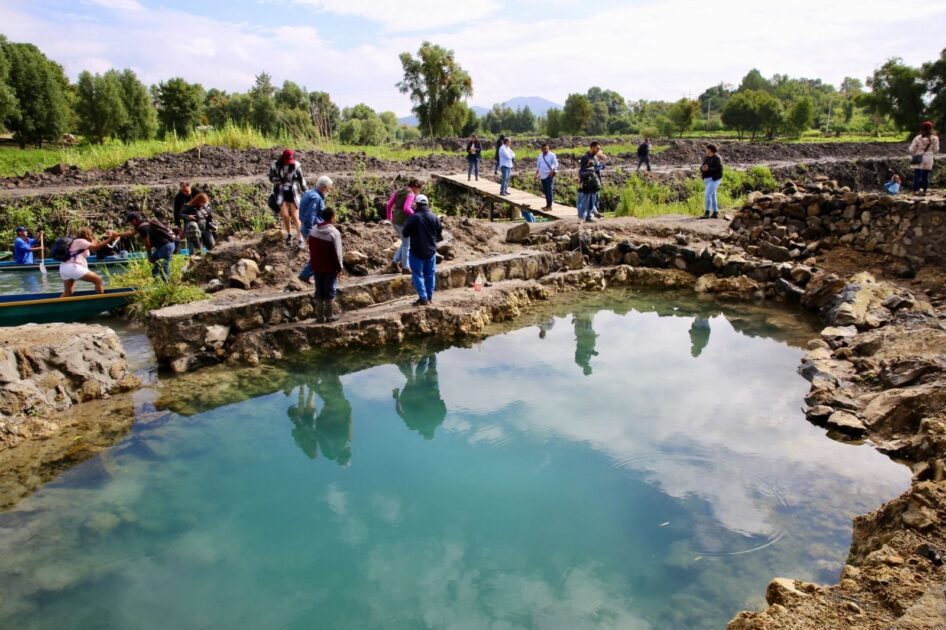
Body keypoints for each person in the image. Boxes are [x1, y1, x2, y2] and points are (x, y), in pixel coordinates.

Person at [401, 194, 443, 307]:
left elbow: (405, 233)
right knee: (430, 275)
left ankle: (423, 299)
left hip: (416, 251)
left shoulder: (414, 218)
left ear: (416, 204)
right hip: (431, 252)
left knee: (418, 275)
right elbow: (439, 235)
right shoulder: (435, 217)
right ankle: (429, 297)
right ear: (427, 204)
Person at [393, 354, 447, 440]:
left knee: (431, 370)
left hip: (432, 394)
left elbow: (443, 407)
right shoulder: (414, 425)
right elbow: (399, 412)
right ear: (424, 433)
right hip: (415, 397)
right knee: (416, 377)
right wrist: (396, 397)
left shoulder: (438, 421)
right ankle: (420, 356)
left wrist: (438, 400)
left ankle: (429, 352)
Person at [110, 212, 177, 279]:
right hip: (165, 246)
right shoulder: (144, 222)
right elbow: (131, 233)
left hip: (166, 247)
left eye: (130, 222)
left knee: (164, 267)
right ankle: (158, 283)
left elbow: (147, 244)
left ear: (134, 220)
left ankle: (167, 285)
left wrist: (149, 255)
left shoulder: (143, 228)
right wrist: (118, 234)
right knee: (155, 268)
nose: (131, 224)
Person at [308, 207, 344, 323]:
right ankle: (329, 315)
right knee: (330, 290)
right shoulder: (334, 233)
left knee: (319, 290)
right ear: (332, 217)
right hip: (330, 267)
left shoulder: (313, 230)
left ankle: (319, 316)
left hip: (316, 265)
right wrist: (340, 268)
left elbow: (311, 247)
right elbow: (338, 253)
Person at [297, 175, 333, 282]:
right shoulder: (316, 198)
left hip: (308, 228)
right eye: (329, 188)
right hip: (312, 230)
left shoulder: (309, 193)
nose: (329, 190)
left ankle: (312, 275)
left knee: (319, 254)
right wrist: (312, 233)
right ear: (323, 187)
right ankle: (305, 275)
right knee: (320, 254)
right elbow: (309, 218)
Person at [269, 148, 307, 246]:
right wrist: (279, 180)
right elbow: (271, 178)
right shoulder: (275, 165)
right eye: (286, 160)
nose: (288, 162)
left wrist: (306, 191)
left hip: (293, 192)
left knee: (295, 216)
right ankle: (289, 234)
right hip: (280, 192)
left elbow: (301, 180)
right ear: (283, 158)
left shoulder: (296, 166)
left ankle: (300, 238)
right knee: (285, 215)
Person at [59, 227, 111, 297]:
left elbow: (96, 243)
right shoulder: (81, 241)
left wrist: (108, 236)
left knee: (68, 292)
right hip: (73, 267)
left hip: (64, 267)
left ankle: (55, 307)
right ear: (88, 235)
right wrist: (110, 239)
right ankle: (100, 302)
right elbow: (96, 247)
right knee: (98, 280)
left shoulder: (75, 242)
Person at [385, 178, 422, 275]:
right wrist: (415, 216)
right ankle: (405, 267)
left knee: (405, 242)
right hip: (403, 222)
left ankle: (395, 262)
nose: (418, 192)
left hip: (396, 221)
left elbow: (389, 205)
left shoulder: (399, 192)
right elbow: (406, 208)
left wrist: (389, 217)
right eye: (419, 189)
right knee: (407, 245)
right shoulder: (411, 194)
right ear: (415, 187)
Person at [909, 121, 939, 195]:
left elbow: (911, 150)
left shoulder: (918, 138)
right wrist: (930, 153)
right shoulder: (935, 138)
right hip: (928, 159)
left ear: (922, 128)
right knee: (925, 176)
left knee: (917, 175)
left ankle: (915, 191)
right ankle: (924, 191)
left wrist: (914, 154)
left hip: (918, 157)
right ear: (931, 128)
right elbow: (936, 150)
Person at [577, 141, 602, 222]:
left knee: (593, 200)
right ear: (592, 147)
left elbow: (596, 170)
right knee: (585, 199)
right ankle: (582, 217)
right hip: (587, 181)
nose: (598, 150)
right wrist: (581, 180)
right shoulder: (585, 157)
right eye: (597, 148)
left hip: (594, 181)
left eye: (599, 148)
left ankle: (589, 217)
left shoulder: (595, 157)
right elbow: (582, 170)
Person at [700, 144, 723, 219]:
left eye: (706, 149)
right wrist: (702, 168)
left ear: (710, 150)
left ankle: (707, 213)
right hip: (707, 179)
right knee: (713, 196)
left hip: (714, 179)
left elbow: (719, 169)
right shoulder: (706, 158)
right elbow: (702, 166)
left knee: (707, 194)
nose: (705, 150)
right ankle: (715, 213)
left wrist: (708, 169)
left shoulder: (717, 158)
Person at [535, 142, 559, 216]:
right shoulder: (540, 156)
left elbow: (556, 164)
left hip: (549, 175)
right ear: (541, 149)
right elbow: (538, 166)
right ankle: (547, 205)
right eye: (544, 149)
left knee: (549, 190)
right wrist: (536, 174)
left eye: (547, 149)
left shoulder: (552, 155)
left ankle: (549, 206)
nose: (546, 150)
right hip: (542, 175)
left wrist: (552, 170)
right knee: (545, 190)